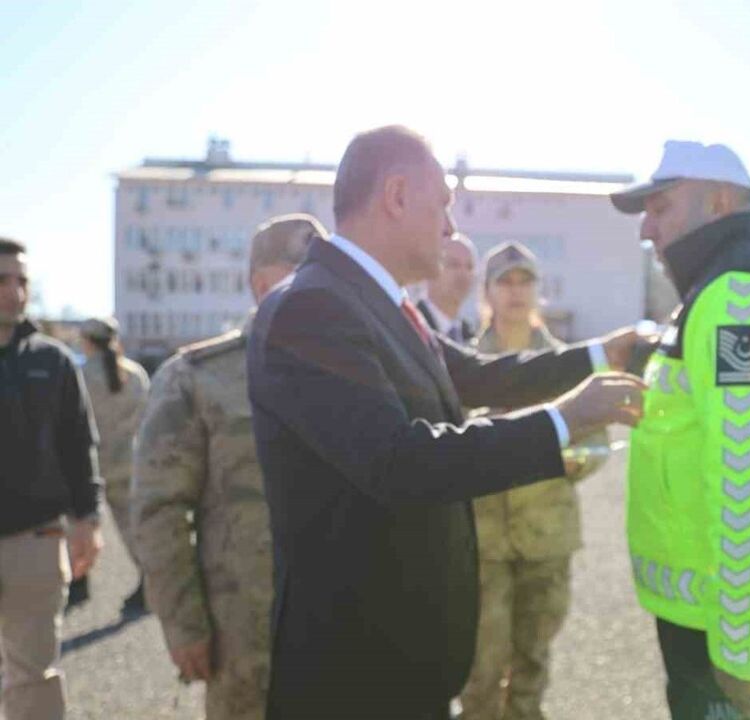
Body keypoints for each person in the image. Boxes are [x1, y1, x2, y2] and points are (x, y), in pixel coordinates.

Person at [247, 125, 647, 720]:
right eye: (444, 207)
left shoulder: (375, 301)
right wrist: (564, 419)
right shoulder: (313, 306)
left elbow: (479, 377)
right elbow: (399, 461)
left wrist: (599, 355)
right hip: (355, 674)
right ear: (398, 195)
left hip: (403, 660)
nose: (452, 229)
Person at [610, 140, 750, 720]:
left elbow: (746, 481)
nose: (646, 230)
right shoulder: (716, 292)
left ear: (722, 201)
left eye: (660, 209)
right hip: (718, 611)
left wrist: (742, 649)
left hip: (736, 624)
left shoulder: (741, 299)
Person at [132, 214, 320, 720]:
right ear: (259, 284)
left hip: (342, 628)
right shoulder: (197, 378)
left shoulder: (354, 373)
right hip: (243, 634)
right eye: (298, 274)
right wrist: (184, 624)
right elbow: (159, 510)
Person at [459, 241, 608, 720]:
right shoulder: (464, 365)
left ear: (538, 291)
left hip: (546, 537)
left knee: (532, 662)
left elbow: (597, 444)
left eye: (525, 281)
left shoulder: (564, 366)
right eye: (505, 281)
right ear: (487, 292)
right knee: (480, 670)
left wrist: (567, 460)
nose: (516, 292)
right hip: (483, 543)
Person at [0, 237, 103, 720]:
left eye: (22, 280)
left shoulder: (53, 360)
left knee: (32, 675)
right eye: (2, 279)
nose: (14, 291)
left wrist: (88, 518)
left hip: (35, 541)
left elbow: (78, 444)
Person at [78, 316, 150, 615]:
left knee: (78, 524)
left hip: (90, 466)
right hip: (129, 462)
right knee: (132, 528)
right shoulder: (135, 374)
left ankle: (78, 583)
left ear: (87, 340)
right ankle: (149, 580)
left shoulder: (79, 374)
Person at [415, 232, 479, 342]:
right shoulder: (411, 326)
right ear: (430, 268)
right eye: (453, 265)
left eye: (470, 267)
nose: (463, 274)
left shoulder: (471, 337)